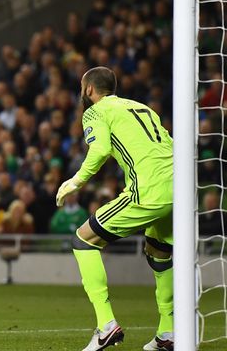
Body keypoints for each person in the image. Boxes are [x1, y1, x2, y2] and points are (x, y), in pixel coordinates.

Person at [55, 67, 174, 351]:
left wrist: (75, 181)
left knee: (83, 239)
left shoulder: (95, 112)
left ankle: (106, 326)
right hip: (179, 185)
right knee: (159, 252)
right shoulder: (141, 107)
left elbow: (99, 150)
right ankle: (169, 332)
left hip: (149, 190)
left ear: (89, 89)